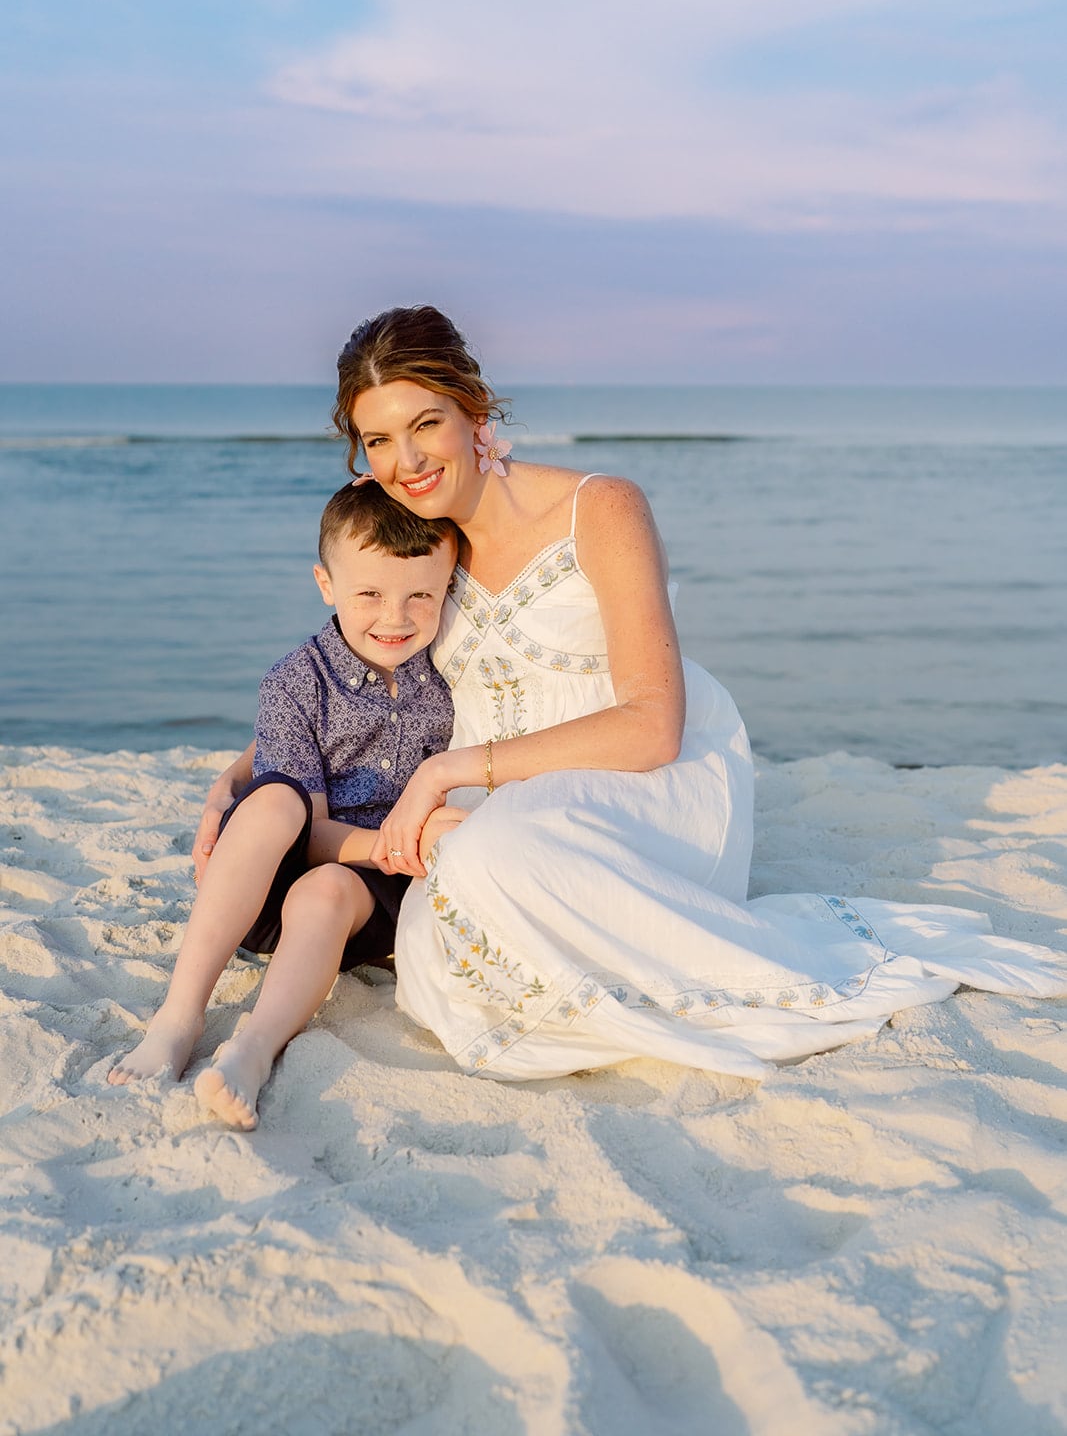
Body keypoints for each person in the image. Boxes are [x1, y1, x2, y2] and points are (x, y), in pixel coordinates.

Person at [195, 305, 1067, 1086]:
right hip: (501, 792)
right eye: (377, 441)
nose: (407, 459)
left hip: (649, 773)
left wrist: (445, 771)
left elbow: (654, 724)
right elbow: (348, 672)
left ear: (476, 413)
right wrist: (249, 769)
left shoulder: (597, 507)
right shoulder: (416, 542)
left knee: (489, 861)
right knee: (439, 929)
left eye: (426, 424)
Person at [109, 479, 458, 1127]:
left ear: (448, 590)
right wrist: (409, 838)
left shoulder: (448, 678)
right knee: (273, 804)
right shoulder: (295, 682)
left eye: (422, 595)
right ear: (326, 585)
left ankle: (253, 1049)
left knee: (326, 889)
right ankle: (179, 1015)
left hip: (366, 906)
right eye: (370, 594)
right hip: (271, 884)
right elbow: (314, 832)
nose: (396, 616)